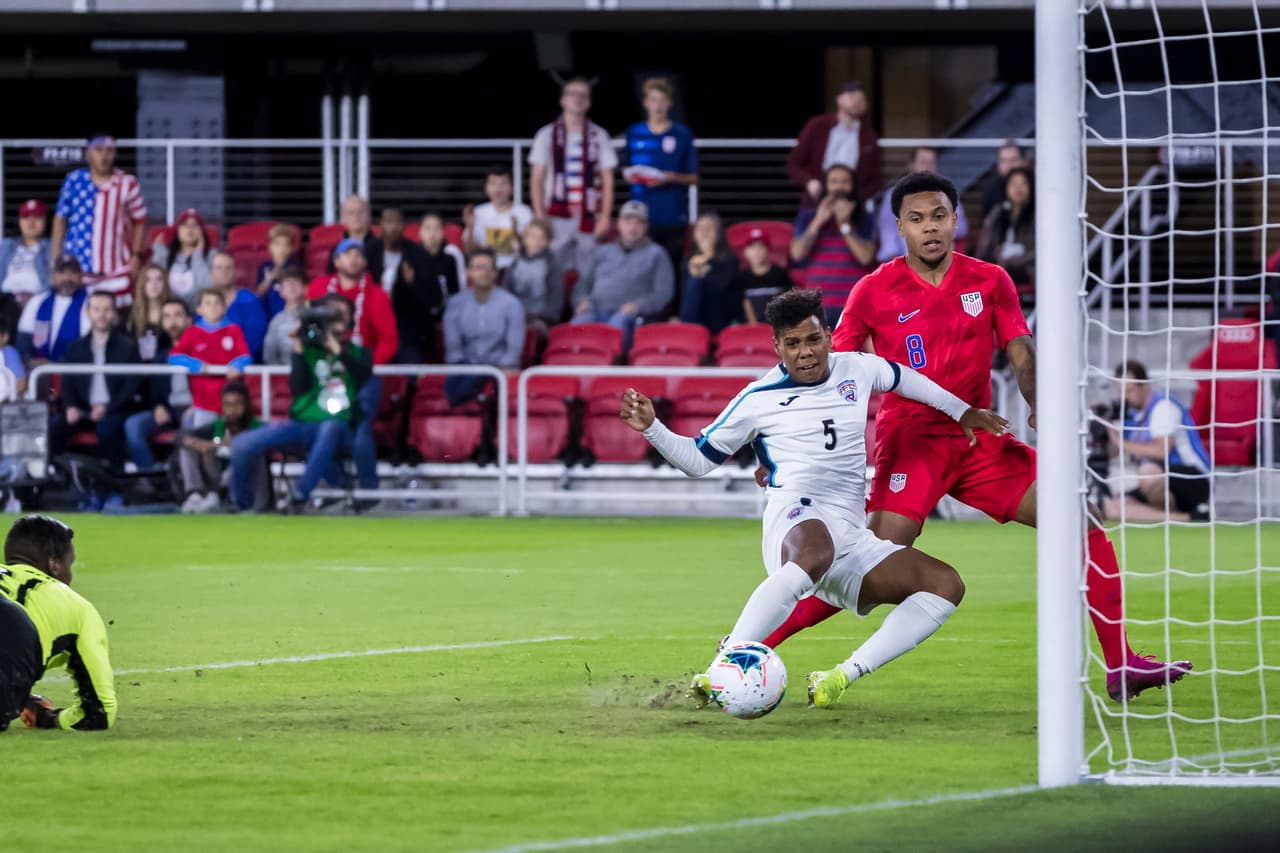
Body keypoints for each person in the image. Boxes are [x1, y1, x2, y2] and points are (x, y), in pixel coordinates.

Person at [764, 171, 1192, 703]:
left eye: (939, 216)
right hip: (911, 441)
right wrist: (786, 442)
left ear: (956, 219)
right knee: (870, 564)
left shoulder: (990, 280)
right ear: (899, 227)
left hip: (978, 438)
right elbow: (833, 371)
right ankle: (754, 643)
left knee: (1081, 522)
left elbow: (1019, 349)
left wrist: (1040, 407)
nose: (930, 228)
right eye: (917, 219)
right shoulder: (872, 290)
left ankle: (1120, 664)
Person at [621, 288, 1008, 708]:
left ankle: (840, 676)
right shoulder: (758, 399)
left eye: (812, 340)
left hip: (850, 535)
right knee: (815, 548)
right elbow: (699, 461)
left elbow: (905, 378)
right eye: (792, 344)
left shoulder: (856, 369)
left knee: (944, 585)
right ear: (777, 347)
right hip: (794, 518)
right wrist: (652, 427)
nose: (805, 352)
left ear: (828, 335)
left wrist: (960, 410)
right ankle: (724, 666)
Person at [230, 293, 374, 512]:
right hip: (302, 425)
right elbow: (297, 388)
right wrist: (298, 347)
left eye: (339, 318)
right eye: (329, 318)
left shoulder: (359, 353)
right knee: (241, 444)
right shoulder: (308, 351)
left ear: (349, 323)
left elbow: (363, 375)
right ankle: (241, 505)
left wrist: (337, 350)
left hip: (342, 427)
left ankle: (300, 495)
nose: (333, 323)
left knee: (330, 427)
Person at [0, 515, 116, 732]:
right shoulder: (78, 608)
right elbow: (98, 714)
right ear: (54, 564)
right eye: (69, 565)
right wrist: (49, 718)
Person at [307, 239, 396, 499]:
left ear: (365, 262)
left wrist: (364, 367)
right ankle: (339, 486)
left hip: (362, 374)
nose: (353, 259)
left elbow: (389, 340)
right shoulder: (319, 289)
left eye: (358, 255)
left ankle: (369, 493)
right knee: (313, 423)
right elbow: (309, 330)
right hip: (325, 371)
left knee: (359, 426)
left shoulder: (377, 295)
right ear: (336, 261)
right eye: (347, 254)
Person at [1104, 360, 1212, 522]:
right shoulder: (1132, 417)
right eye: (1121, 392)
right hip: (1156, 483)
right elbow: (1115, 453)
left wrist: (1121, 443)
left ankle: (1185, 509)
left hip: (1193, 478)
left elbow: (1162, 450)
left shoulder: (1163, 407)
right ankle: (1187, 518)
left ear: (1145, 386)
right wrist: (1107, 429)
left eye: (1130, 390)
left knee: (1147, 472)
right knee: (1110, 507)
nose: (1125, 397)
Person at [528, 77, 618, 272]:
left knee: (590, 269)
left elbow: (608, 181)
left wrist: (604, 217)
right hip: (556, 214)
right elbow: (537, 179)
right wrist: (539, 214)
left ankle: (584, 302)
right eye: (572, 94)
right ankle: (555, 303)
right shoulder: (546, 134)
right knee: (552, 267)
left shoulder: (599, 135)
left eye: (583, 96)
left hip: (589, 214)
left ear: (589, 102)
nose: (577, 99)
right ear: (563, 100)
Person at [49, 292, 142, 470]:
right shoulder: (74, 348)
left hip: (115, 409)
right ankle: (57, 475)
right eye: (97, 309)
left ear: (114, 313)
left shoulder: (128, 346)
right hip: (83, 409)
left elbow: (131, 387)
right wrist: (70, 407)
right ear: (87, 312)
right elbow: (67, 383)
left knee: (107, 429)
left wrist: (107, 407)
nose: (102, 315)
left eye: (107, 310)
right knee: (55, 427)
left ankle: (116, 480)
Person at [50, 134, 148, 302]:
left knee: (117, 318)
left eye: (109, 151)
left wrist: (136, 255)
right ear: (88, 153)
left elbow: (140, 220)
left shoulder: (127, 182)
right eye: (98, 150)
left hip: (116, 268)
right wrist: (55, 258)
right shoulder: (74, 181)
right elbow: (60, 219)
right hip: (78, 269)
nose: (104, 156)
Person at [571, 200, 674, 351]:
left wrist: (639, 306)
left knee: (617, 326)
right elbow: (581, 286)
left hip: (629, 315)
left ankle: (610, 368)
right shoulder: (601, 251)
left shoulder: (657, 254)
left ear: (646, 227)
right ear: (618, 224)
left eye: (639, 222)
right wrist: (581, 301)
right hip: (594, 310)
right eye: (628, 221)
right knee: (577, 326)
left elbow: (664, 293)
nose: (633, 227)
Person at [623, 77, 698, 273]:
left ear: (669, 103)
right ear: (646, 102)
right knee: (638, 270)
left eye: (662, 100)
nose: (658, 105)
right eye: (653, 99)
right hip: (639, 217)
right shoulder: (634, 132)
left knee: (671, 269)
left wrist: (669, 177)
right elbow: (626, 169)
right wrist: (631, 176)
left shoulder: (682, 134)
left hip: (672, 216)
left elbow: (694, 177)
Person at [789, 163, 876, 327]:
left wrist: (844, 223)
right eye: (834, 181)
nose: (839, 187)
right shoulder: (808, 215)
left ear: (852, 186)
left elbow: (865, 257)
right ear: (825, 186)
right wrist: (818, 220)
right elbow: (797, 253)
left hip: (854, 304)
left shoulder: (864, 216)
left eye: (845, 182)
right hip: (817, 304)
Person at [443, 249, 525, 408]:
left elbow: (513, 349)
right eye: (479, 267)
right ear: (469, 272)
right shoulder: (456, 304)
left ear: (496, 273)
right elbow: (453, 347)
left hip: (499, 369)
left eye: (490, 268)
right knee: (455, 383)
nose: (485, 272)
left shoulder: (512, 304)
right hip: (466, 367)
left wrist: (502, 369)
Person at [124, 297, 194, 472]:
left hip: (195, 410)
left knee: (193, 424)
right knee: (133, 424)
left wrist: (197, 405)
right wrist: (158, 407)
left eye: (178, 316)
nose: (173, 322)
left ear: (188, 320)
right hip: (170, 411)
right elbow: (155, 392)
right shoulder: (159, 358)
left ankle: (191, 481)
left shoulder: (202, 350)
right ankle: (151, 475)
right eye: (167, 317)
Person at [786, 81, 882, 207]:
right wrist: (809, 182)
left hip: (851, 207)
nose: (857, 100)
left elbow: (875, 179)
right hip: (815, 203)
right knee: (808, 227)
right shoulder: (817, 126)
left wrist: (858, 199)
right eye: (852, 95)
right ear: (839, 100)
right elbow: (794, 162)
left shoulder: (869, 137)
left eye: (862, 98)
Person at [177, 381, 264, 514]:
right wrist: (196, 443)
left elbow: (240, 441)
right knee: (189, 449)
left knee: (240, 455)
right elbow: (217, 439)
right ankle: (195, 495)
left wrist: (215, 444)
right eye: (228, 405)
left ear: (246, 404)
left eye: (237, 404)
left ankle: (219, 496)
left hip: (240, 476)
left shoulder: (255, 425)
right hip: (217, 472)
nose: (232, 409)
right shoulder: (220, 425)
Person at [168, 288, 251, 424]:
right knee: (206, 436)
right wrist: (196, 366)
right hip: (203, 404)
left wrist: (237, 365)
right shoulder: (192, 332)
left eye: (217, 303)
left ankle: (220, 445)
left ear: (224, 308)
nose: (213, 307)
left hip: (230, 403)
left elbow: (245, 356)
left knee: (225, 437)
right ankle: (212, 445)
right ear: (200, 309)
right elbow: (174, 358)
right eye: (208, 303)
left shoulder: (234, 330)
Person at [877, 147, 969, 263]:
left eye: (932, 162)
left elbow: (960, 231)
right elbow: (889, 240)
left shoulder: (947, 194)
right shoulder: (893, 195)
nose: (928, 167)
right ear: (911, 165)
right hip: (905, 265)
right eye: (923, 162)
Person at [17, 253, 89, 365]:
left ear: (81, 276)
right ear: (53, 276)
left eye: (73, 272)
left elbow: (87, 343)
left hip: (73, 369)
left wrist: (55, 365)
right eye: (62, 272)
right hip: (38, 371)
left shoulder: (89, 302)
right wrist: (30, 361)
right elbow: (24, 340)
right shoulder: (38, 301)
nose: (67, 278)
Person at [677, 212, 741, 333]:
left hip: (721, 317)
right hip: (694, 317)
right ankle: (689, 329)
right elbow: (684, 296)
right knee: (694, 283)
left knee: (696, 281)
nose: (704, 232)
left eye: (709, 228)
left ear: (719, 233)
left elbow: (717, 288)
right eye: (699, 228)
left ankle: (690, 329)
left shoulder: (730, 260)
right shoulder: (688, 261)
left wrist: (707, 258)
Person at [503, 218, 564, 338]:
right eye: (532, 236)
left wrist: (545, 319)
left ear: (548, 242)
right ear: (524, 239)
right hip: (516, 316)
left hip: (541, 319)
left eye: (541, 238)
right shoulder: (515, 262)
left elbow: (556, 297)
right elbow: (506, 292)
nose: (536, 241)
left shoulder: (552, 264)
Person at [976, 167, 1035, 291]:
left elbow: (1036, 251)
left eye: (1023, 183)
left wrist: (1011, 261)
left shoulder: (1038, 215)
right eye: (1013, 184)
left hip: (1025, 267)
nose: (1018, 188)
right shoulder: (998, 212)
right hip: (999, 263)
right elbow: (985, 246)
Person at [463, 167, 533, 270]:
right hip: (486, 270)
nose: (498, 188)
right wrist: (470, 227)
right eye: (493, 183)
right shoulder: (478, 212)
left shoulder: (524, 212)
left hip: (516, 268)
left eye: (503, 183)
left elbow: (531, 250)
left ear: (512, 187)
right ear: (486, 188)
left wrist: (516, 233)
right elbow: (469, 251)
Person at [208, 250, 267, 362]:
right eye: (219, 268)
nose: (224, 272)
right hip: (208, 367)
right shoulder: (203, 302)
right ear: (211, 273)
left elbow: (253, 340)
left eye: (228, 268)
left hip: (241, 367)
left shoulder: (251, 301)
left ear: (235, 272)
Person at [732, 227, 793, 325]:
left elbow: (787, 302)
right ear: (745, 252)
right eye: (752, 247)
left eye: (761, 247)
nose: (756, 252)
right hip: (753, 330)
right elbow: (744, 303)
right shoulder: (741, 277)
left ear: (768, 250)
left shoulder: (780, 274)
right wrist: (755, 326)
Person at [152, 208, 213, 304]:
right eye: (185, 225)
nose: (190, 229)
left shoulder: (212, 255)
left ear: (202, 231)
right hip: (169, 313)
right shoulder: (167, 256)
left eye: (195, 225)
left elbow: (209, 287)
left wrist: (197, 256)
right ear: (177, 231)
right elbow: (154, 286)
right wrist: (159, 254)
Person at [0, 199, 52, 306]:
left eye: (37, 217)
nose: (31, 222)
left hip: (39, 301)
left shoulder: (52, 246)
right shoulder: (7, 245)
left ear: (45, 221)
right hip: (5, 302)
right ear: (19, 221)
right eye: (26, 217)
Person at [326, 195, 383, 282]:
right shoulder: (336, 250)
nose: (356, 216)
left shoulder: (381, 247)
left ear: (369, 216)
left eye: (360, 212)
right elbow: (330, 280)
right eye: (350, 212)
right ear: (342, 218)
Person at [125, 263, 172, 361]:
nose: (153, 284)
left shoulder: (174, 311)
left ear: (165, 283)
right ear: (142, 284)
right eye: (148, 280)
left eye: (159, 279)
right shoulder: (128, 314)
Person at [254, 223, 301, 320]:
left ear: (291, 248)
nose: (282, 249)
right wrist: (269, 279)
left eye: (286, 245)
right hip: (267, 311)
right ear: (270, 247)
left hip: (289, 310)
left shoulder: (295, 266)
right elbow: (259, 292)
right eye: (277, 244)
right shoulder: (264, 266)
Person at [262, 267, 306, 366]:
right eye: (287, 283)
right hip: (285, 375)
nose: (291, 287)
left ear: (305, 288)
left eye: (296, 282)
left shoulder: (315, 317)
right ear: (281, 292)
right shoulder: (276, 322)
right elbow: (269, 357)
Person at [981, 139, 1030, 219]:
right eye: (1003, 161)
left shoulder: (1036, 186)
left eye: (1013, 160)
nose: (1008, 166)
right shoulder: (990, 188)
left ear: (1024, 161)